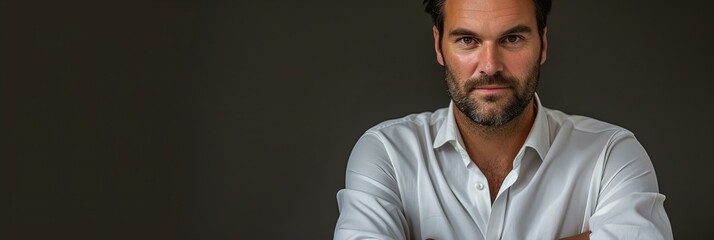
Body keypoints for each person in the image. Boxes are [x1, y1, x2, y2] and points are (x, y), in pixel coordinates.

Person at [334, 0, 673, 239]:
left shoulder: (611, 155)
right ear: (439, 46)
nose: (490, 65)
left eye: (512, 39)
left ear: (542, 44)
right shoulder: (387, 154)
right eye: (467, 40)